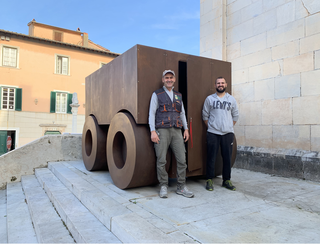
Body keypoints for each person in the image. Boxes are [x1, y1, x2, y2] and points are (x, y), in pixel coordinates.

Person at [148, 70, 194, 198]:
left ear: (174, 80)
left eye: (171, 78)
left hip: (177, 130)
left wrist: (185, 129)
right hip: (161, 130)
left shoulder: (178, 95)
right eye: (166, 77)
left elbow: (182, 113)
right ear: (163, 79)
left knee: (182, 159)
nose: (169, 79)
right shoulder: (156, 94)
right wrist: (152, 131)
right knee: (161, 159)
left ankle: (181, 186)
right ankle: (163, 185)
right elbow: (151, 113)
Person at [202, 77, 239, 191]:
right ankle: (209, 179)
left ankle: (226, 180)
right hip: (213, 133)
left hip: (227, 133)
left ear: (226, 84)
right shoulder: (209, 99)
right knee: (211, 157)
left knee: (227, 158)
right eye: (218, 83)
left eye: (222, 83)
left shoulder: (231, 99)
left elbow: (235, 115)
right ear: (215, 85)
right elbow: (205, 115)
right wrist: (213, 127)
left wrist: (228, 126)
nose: (220, 85)